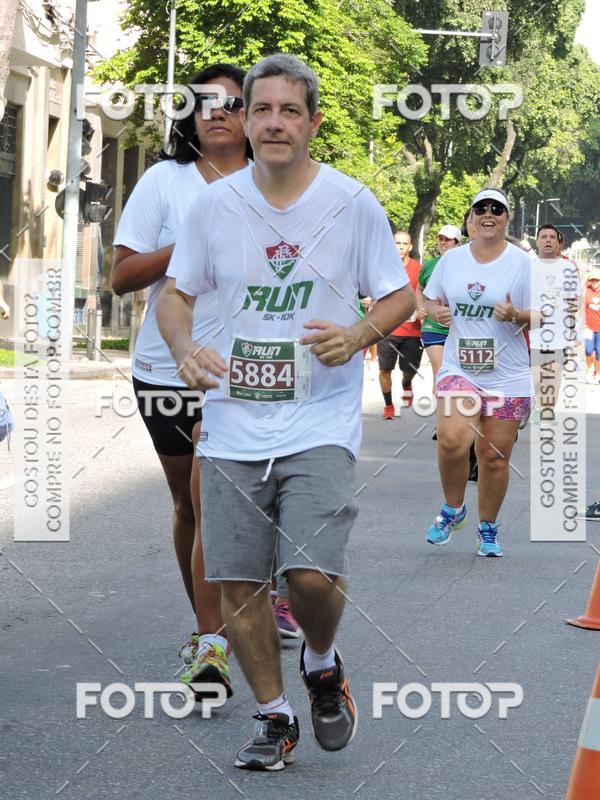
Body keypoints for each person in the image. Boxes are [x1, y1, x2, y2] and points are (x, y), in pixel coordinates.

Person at [157, 53, 415, 770]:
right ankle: (274, 717)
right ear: (246, 121)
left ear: (313, 123)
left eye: (288, 111)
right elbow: (175, 295)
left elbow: (399, 297)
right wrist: (182, 348)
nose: (272, 123)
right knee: (237, 581)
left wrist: (359, 334)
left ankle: (323, 663)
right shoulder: (214, 205)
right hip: (234, 423)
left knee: (307, 574)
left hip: (319, 423)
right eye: (260, 109)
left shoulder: (351, 201)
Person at [111, 63, 252, 698]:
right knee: (189, 503)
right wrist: (187, 241)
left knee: (218, 495)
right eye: (205, 104)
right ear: (190, 118)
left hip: (243, 368)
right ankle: (213, 619)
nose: (218, 112)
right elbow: (123, 275)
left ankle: (211, 638)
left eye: (232, 103)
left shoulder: (276, 181)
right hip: (164, 366)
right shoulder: (164, 182)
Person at [423, 188, 534, 557]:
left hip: (508, 373)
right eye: (482, 208)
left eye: (497, 209)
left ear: (506, 218)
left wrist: (516, 315)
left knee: (492, 455)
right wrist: (434, 312)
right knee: (453, 438)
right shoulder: (452, 260)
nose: (489, 214)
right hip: (460, 367)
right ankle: (453, 509)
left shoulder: (521, 263)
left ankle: (488, 527)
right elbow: (428, 298)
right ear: (471, 218)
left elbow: (546, 313)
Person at [529, 223, 581, 422]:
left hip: (558, 332)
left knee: (553, 374)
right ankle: (537, 404)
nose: (548, 240)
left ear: (558, 242)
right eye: (544, 237)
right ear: (537, 241)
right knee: (536, 378)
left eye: (552, 237)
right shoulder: (529, 265)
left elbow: (573, 300)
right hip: (533, 331)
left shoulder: (568, 268)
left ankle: (547, 410)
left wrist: (569, 320)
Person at [377, 229, 423, 418]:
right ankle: (388, 405)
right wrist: (368, 299)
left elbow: (423, 293)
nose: (401, 247)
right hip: (387, 327)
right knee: (385, 369)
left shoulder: (418, 269)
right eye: (397, 243)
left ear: (410, 247)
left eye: (405, 244)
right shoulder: (381, 267)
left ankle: (406, 383)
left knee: (410, 369)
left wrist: (421, 309)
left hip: (411, 330)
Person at [416, 224, 462, 387]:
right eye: (440, 239)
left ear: (458, 243)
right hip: (433, 328)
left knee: (458, 374)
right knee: (440, 372)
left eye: (448, 240)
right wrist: (421, 307)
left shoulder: (467, 265)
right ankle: (440, 410)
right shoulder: (429, 266)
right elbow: (420, 288)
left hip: (459, 330)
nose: (443, 242)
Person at [584, 267, 600, 383]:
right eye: (593, 280)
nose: (595, 282)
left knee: (599, 351)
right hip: (588, 327)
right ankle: (590, 368)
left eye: (597, 280)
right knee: (588, 350)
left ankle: (598, 373)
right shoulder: (586, 291)